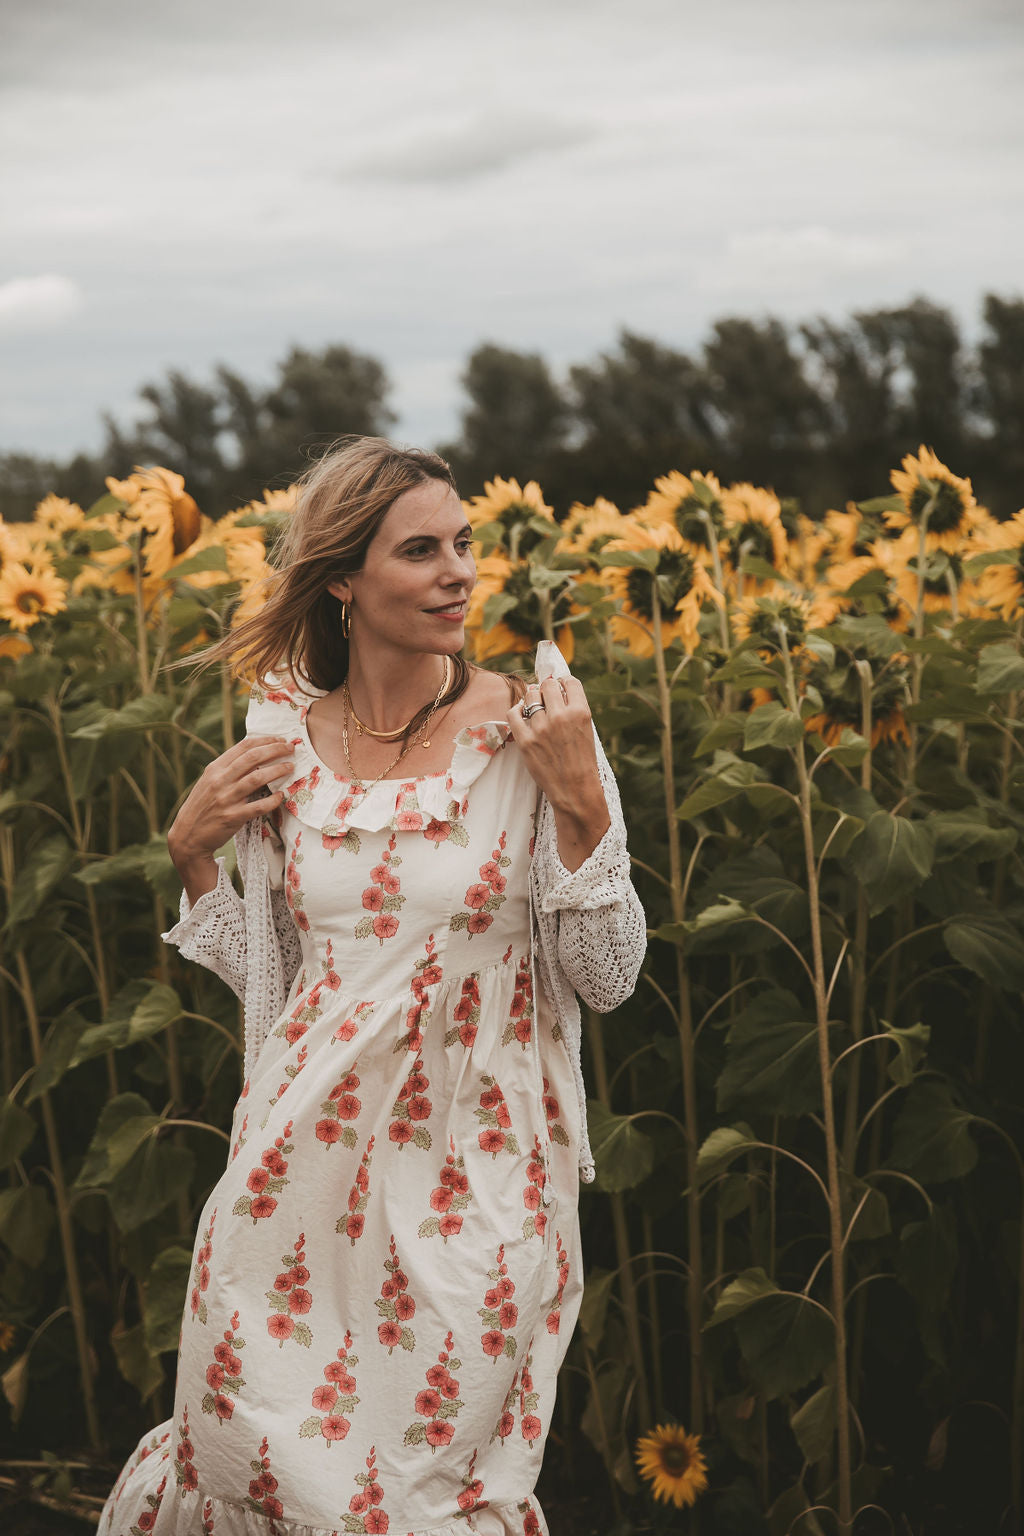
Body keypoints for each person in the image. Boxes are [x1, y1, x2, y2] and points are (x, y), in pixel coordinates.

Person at [99, 437, 646, 1536]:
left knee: (416, 1493)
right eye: (421, 550)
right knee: (259, 1460)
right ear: (342, 578)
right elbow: (296, 988)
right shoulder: (278, 741)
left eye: (464, 545)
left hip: (474, 1171)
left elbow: (608, 975)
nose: (459, 573)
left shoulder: (534, 730)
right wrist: (195, 859)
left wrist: (585, 807)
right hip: (296, 1170)